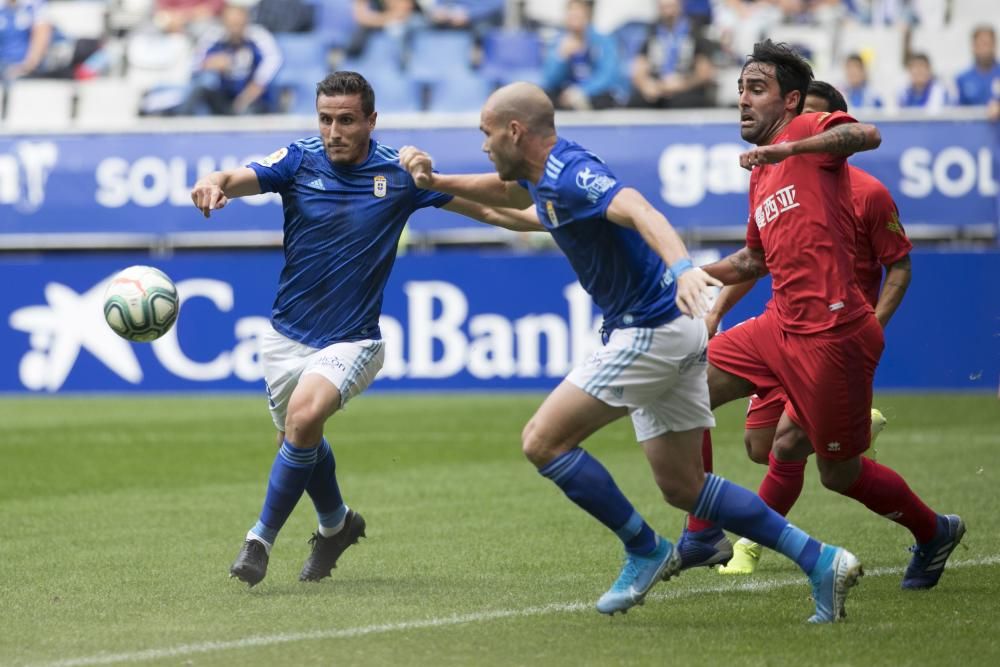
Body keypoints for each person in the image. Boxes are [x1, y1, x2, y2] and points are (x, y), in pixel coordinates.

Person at [398, 80, 863, 623]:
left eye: (485, 133)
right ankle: (822, 560)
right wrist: (433, 187)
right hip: (674, 330)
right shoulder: (544, 179)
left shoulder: (572, 174)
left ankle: (643, 548)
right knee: (684, 487)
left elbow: (639, 208)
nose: (482, 145)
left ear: (514, 130)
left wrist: (683, 267)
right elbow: (508, 205)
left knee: (543, 442)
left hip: (650, 331)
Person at [190, 71, 544, 587]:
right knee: (296, 438)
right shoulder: (299, 160)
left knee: (305, 417)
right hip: (286, 336)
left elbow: (501, 208)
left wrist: (559, 215)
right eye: (326, 119)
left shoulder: (399, 174)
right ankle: (336, 525)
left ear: (371, 121)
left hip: (355, 338)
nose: (334, 131)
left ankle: (258, 541)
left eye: (347, 120)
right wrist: (211, 184)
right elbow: (232, 177)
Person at [696, 40, 964, 591]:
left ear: (793, 103)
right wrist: (693, 274)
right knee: (684, 385)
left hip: (834, 337)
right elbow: (754, 258)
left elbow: (868, 135)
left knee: (836, 472)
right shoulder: (761, 173)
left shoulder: (804, 142)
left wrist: (790, 150)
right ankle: (702, 533)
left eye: (756, 89)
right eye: (740, 90)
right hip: (780, 325)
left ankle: (934, 531)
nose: (742, 100)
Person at [181, 1, 283, 115]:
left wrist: (247, 96)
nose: (234, 28)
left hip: (252, 99)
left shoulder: (258, 37)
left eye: (238, 24)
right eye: (230, 24)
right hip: (224, 96)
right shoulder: (214, 36)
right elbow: (193, 63)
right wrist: (209, 63)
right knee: (200, 88)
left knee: (249, 110)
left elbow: (272, 64)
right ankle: (180, 122)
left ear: (246, 21)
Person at [628, 0, 718, 109]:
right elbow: (639, 68)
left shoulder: (695, 31)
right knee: (636, 102)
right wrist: (646, 85)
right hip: (657, 88)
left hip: (686, 88)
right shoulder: (651, 32)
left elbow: (705, 73)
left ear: (680, 6)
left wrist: (682, 84)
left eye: (671, 7)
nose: (668, 12)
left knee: (682, 102)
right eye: (664, 7)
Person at [540, 0, 621, 110]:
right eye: (571, 13)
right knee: (545, 98)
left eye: (578, 14)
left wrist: (582, 91)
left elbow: (607, 76)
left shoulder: (604, 41)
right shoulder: (558, 42)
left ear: (587, 15)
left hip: (593, 95)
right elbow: (549, 80)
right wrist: (561, 57)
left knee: (604, 98)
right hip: (565, 94)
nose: (574, 18)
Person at [955, 24, 1000, 107]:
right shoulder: (962, 79)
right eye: (981, 44)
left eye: (987, 44)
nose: (985, 49)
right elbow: (957, 112)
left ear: (994, 45)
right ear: (973, 47)